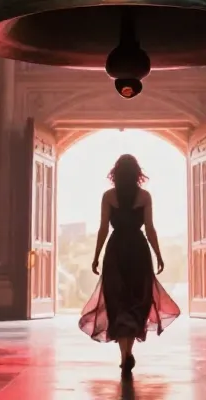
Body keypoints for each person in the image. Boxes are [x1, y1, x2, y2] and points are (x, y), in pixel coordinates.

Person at [78, 154, 180, 375]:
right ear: (136, 174)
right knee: (136, 302)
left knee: (118, 301)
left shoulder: (108, 196)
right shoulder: (144, 196)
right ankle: (127, 353)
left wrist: (96, 256)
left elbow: (104, 228)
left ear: (115, 173)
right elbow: (150, 229)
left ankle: (124, 355)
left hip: (116, 252)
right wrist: (158, 254)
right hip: (138, 250)